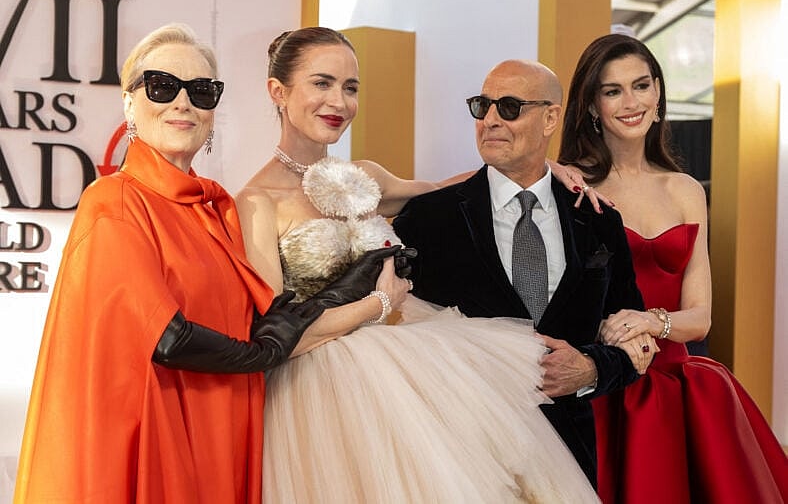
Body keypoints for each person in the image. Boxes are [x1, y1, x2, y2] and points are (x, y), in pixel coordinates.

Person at [13, 23, 394, 503]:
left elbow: (266, 316)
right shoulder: (115, 201)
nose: (182, 103)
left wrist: (356, 286)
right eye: (162, 86)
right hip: (156, 439)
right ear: (129, 103)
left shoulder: (214, 210)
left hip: (219, 431)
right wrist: (269, 353)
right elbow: (169, 339)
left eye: (201, 90)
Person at [236, 27, 603, 502]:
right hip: (321, 389)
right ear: (278, 91)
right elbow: (274, 333)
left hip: (409, 361)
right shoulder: (256, 202)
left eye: (351, 87)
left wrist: (545, 166)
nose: (339, 102)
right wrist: (377, 303)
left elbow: (452, 189)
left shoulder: (364, 176)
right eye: (322, 83)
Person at [392, 58, 651, 487]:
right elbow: (395, 334)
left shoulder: (599, 221)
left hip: (568, 454)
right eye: (482, 106)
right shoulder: (427, 220)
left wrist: (589, 369)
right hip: (458, 456)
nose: (490, 120)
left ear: (550, 118)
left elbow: (633, 337)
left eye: (509, 107)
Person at [558, 32, 788, 504]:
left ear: (659, 92)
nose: (630, 102)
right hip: (602, 386)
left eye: (641, 85)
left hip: (679, 388)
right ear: (592, 105)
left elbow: (700, 315)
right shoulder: (570, 185)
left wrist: (651, 320)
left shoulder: (686, 190)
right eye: (612, 90)